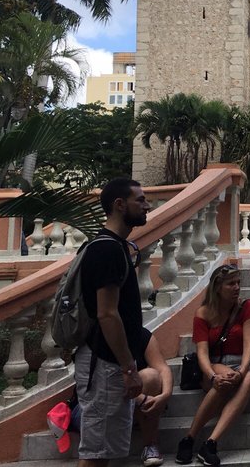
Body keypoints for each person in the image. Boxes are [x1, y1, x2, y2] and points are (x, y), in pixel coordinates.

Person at [75, 177, 150, 467]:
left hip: (109, 364)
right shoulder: (106, 249)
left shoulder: (116, 246)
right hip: (105, 363)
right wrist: (128, 367)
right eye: (140, 200)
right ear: (120, 205)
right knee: (95, 456)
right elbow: (107, 313)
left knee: (103, 453)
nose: (146, 205)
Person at [175, 264, 250, 467]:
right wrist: (212, 376)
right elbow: (202, 353)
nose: (237, 287)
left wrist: (243, 369)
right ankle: (189, 437)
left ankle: (211, 442)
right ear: (218, 287)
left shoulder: (247, 307)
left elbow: (249, 345)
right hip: (213, 366)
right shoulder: (203, 313)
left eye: (238, 283)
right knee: (224, 377)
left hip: (242, 361)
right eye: (231, 284)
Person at [135, 330, 174, 467]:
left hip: (136, 404)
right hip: (106, 401)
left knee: (151, 376)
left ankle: (150, 445)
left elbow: (163, 368)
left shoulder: (140, 334)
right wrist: (138, 397)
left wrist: (166, 395)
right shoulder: (103, 336)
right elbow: (108, 381)